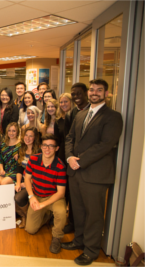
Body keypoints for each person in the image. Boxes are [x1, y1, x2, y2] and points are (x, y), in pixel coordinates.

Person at [62, 79, 123, 266]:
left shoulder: (113, 117)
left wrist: (80, 161)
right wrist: (70, 157)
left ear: (106, 93)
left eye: (99, 90)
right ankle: (79, 240)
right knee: (78, 211)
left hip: (95, 175)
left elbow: (105, 145)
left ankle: (91, 250)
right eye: (92, 90)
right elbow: (70, 138)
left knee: (94, 214)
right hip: (75, 171)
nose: (94, 93)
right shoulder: (81, 115)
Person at [25, 134, 67, 255]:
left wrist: (43, 205)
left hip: (53, 198)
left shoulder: (60, 166)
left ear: (57, 148)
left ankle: (57, 237)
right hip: (37, 195)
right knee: (30, 230)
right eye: (45, 145)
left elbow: (61, 193)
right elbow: (27, 179)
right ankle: (48, 216)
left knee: (61, 212)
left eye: (51, 146)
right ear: (40, 146)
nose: (47, 149)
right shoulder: (33, 159)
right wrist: (31, 196)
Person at [15, 127, 42, 228]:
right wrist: (18, 183)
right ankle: (23, 217)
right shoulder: (21, 149)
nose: (28, 138)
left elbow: (39, 173)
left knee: (18, 197)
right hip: (22, 180)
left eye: (31, 136)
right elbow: (19, 168)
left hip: (34, 183)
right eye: (26, 135)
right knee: (10, 192)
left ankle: (28, 217)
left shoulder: (39, 152)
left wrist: (27, 184)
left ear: (35, 138)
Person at [57, 92, 75, 234]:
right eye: (61, 102)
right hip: (62, 156)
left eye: (65, 102)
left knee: (71, 190)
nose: (63, 104)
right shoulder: (60, 120)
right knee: (65, 188)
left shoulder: (76, 116)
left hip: (73, 157)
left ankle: (71, 218)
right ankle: (66, 216)